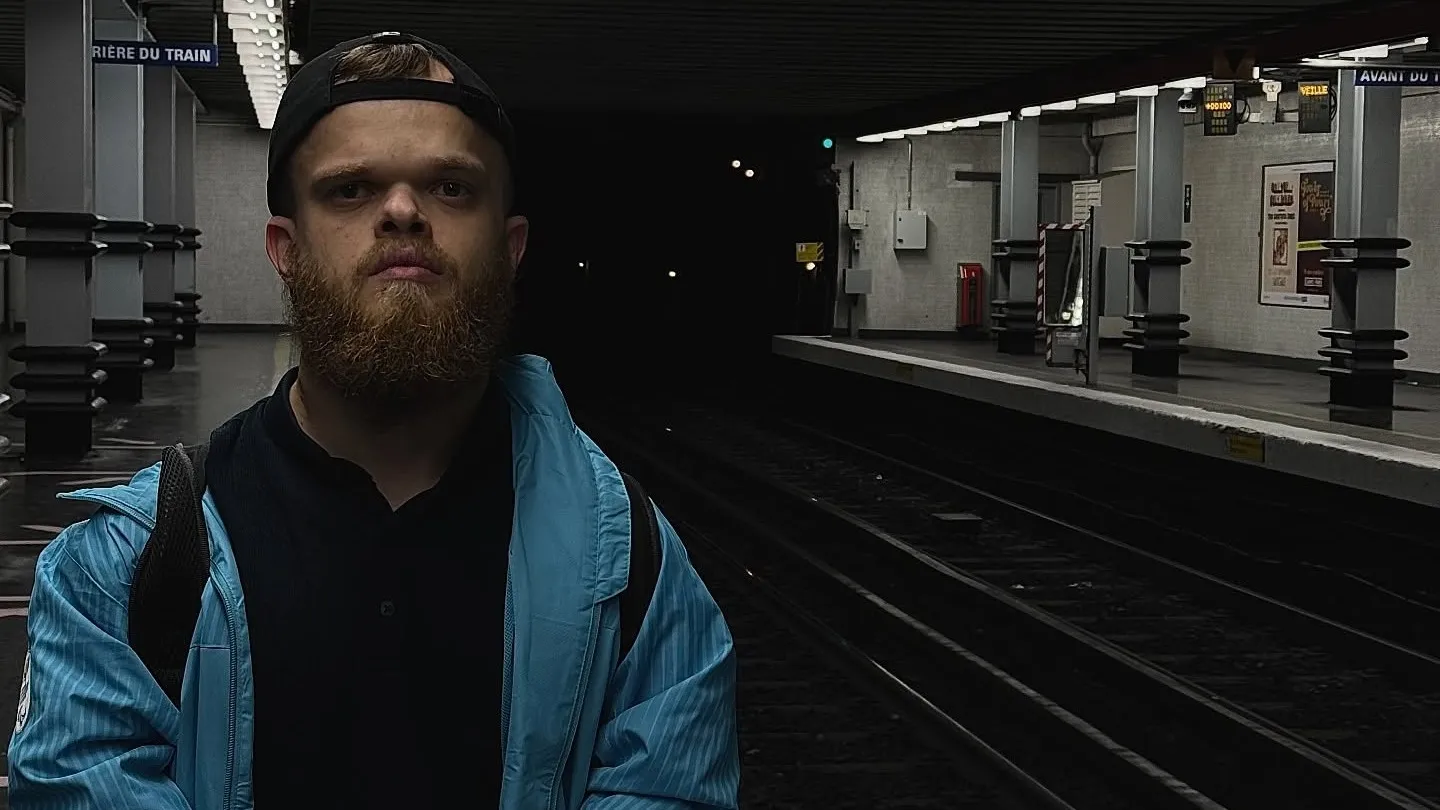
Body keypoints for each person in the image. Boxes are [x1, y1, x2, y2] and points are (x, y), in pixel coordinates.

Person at [8, 31, 739, 810]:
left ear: (511, 247)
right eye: (350, 190)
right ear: (285, 249)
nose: (402, 212)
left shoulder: (629, 562)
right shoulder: (127, 567)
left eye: (451, 187)